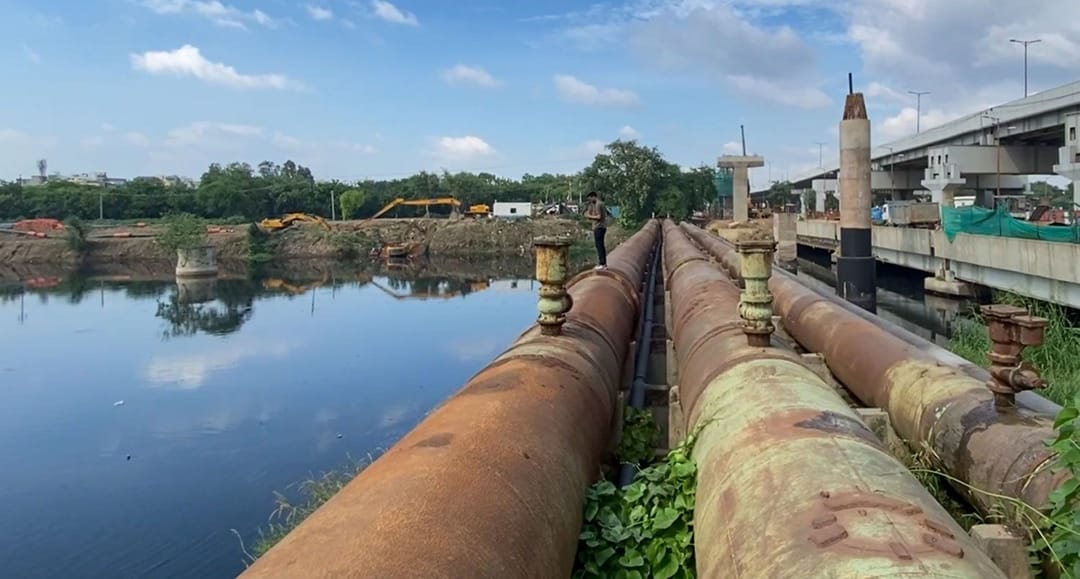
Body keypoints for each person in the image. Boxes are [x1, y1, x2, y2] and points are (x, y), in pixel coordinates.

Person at [584, 192, 607, 270]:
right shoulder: (596, 204)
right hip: (600, 227)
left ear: (593, 197)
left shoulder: (598, 204)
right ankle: (603, 263)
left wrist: (589, 216)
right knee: (600, 245)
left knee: (599, 246)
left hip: (599, 227)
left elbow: (599, 216)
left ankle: (602, 263)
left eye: (590, 199)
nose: (589, 201)